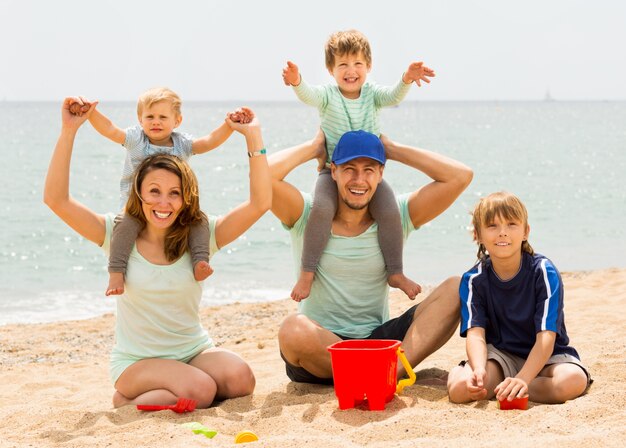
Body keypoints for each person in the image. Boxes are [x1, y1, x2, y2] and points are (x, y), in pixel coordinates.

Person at [44, 98, 270, 408]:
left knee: (241, 378)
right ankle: (131, 396)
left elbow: (260, 204)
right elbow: (56, 200)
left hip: (193, 353)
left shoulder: (200, 235)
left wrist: (252, 136)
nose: (164, 203)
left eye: (174, 193)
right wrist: (69, 131)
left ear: (185, 197)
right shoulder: (116, 233)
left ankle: (164, 392)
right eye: (154, 191)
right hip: (137, 362)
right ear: (139, 191)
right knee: (201, 390)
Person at [269, 129, 473, 384]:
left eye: (369, 169)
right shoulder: (307, 214)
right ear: (333, 171)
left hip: (379, 344)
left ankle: (387, 374)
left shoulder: (395, 216)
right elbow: (263, 177)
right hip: (323, 350)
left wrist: (394, 149)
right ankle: (377, 374)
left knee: (456, 287)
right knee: (293, 330)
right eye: (349, 169)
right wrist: (314, 148)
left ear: (380, 174)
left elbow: (460, 176)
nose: (359, 180)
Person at [282, 29, 435, 302]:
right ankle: (307, 272)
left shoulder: (372, 94)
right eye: (342, 65)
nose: (350, 71)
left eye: (358, 64)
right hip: (332, 171)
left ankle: (396, 272)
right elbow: (309, 96)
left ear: (368, 67)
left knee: (389, 211)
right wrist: (297, 82)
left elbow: (393, 97)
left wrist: (406, 79)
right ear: (331, 70)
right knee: (322, 209)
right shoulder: (328, 95)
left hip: (367, 174)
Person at [70, 88, 252, 296]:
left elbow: (209, 141)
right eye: (150, 117)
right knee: (124, 227)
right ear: (140, 119)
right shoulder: (136, 140)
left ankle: (200, 261)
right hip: (137, 205)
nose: (156, 122)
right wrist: (91, 113)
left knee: (199, 221)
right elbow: (110, 129)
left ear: (177, 121)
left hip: (173, 206)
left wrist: (229, 126)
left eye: (163, 117)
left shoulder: (181, 144)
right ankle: (116, 272)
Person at [447, 191, 591, 404]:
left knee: (572, 380)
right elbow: (476, 335)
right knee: (460, 390)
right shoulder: (473, 279)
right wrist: (478, 369)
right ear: (477, 234)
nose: (503, 233)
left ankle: (510, 387)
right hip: (501, 356)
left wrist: (523, 379)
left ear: (526, 231)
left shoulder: (543, 271)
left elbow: (546, 337)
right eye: (492, 226)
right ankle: (498, 383)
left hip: (547, 358)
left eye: (512, 224)